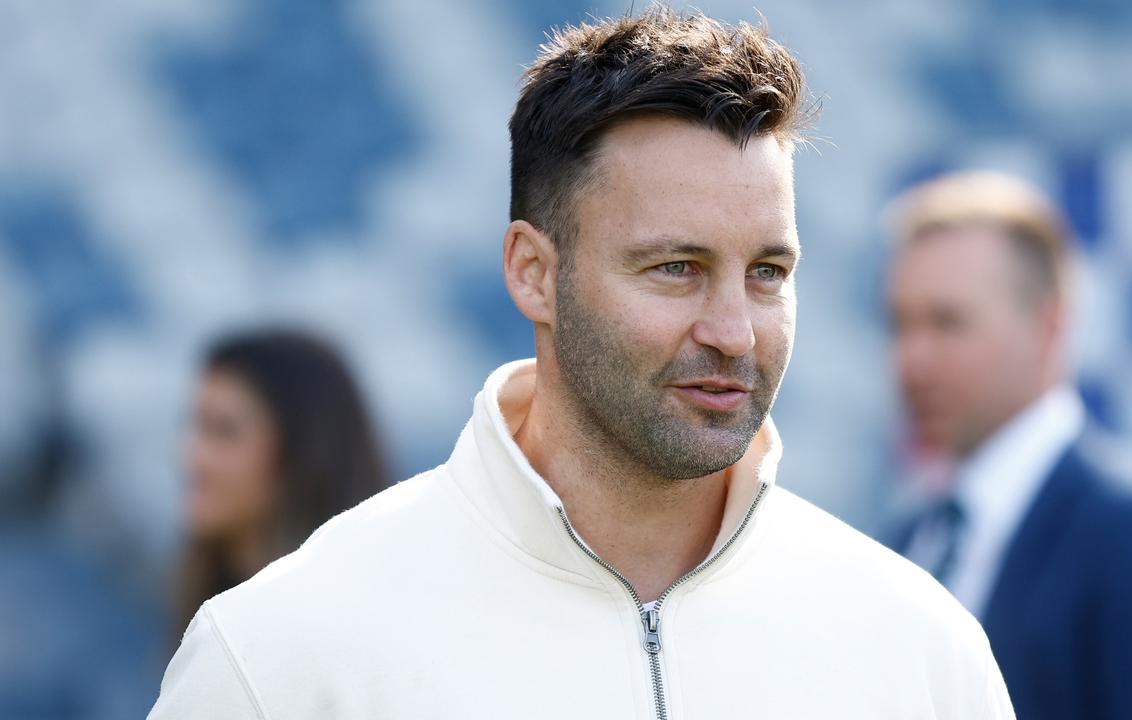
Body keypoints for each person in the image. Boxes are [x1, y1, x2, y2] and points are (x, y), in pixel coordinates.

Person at [149, 9, 1014, 718]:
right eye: (675, 267)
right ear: (533, 272)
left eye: (767, 274)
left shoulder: (922, 655)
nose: (734, 332)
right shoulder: (280, 658)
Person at [884, 170, 1132, 720]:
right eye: (900, 324)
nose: (912, 359)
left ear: (1047, 327)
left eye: (947, 322)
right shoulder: (911, 537)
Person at [179, 329, 388, 632]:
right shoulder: (214, 614)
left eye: (224, 430)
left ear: (303, 452)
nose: (194, 456)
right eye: (197, 426)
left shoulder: (348, 629)